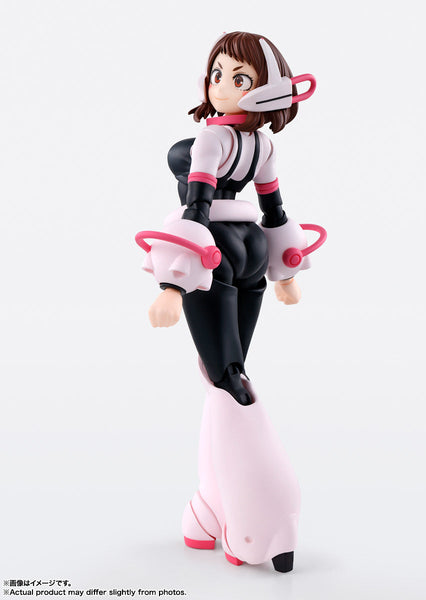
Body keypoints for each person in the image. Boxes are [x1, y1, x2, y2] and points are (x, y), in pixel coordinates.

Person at [136, 31, 325, 572]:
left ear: (268, 89)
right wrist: (281, 271)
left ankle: (235, 516)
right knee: (228, 378)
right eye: (217, 74)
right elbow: (267, 211)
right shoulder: (250, 145)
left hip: (222, 249)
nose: (221, 86)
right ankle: (215, 509)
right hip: (244, 248)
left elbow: (205, 207)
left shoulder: (223, 141)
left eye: (239, 78)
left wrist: (173, 286)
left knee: (229, 380)